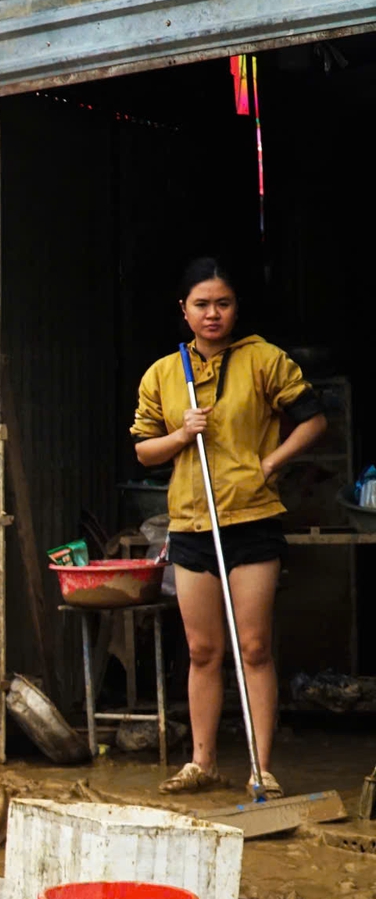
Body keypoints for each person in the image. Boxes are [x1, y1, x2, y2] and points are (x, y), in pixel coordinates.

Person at [131, 258, 327, 799]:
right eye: (201, 305)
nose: (212, 314)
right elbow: (143, 449)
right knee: (202, 651)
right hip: (192, 523)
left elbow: (313, 419)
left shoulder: (264, 360)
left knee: (256, 646)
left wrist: (270, 463)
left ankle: (261, 768)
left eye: (222, 303)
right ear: (184, 311)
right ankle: (202, 762)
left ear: (235, 308)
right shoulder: (164, 374)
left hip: (252, 519)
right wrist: (179, 435)